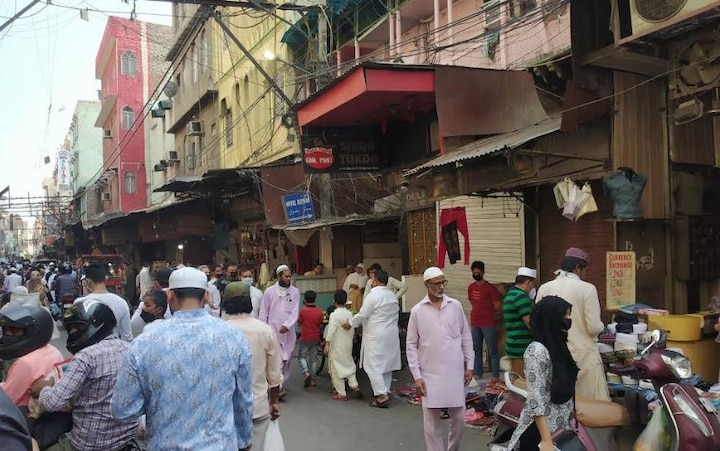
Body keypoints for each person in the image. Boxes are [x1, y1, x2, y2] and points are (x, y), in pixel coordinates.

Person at [111, 267, 254, 451]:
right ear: (207, 297)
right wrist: (244, 441)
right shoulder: (234, 337)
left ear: (170, 296)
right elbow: (243, 400)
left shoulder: (145, 342)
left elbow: (122, 410)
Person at [30, 300, 138, 451]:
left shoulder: (86, 356)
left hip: (88, 443)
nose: (73, 333)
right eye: (70, 329)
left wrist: (45, 388)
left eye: (76, 327)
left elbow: (52, 403)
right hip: (126, 437)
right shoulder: (132, 349)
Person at [406, 267, 474, 451]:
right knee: (431, 424)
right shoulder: (417, 311)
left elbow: (466, 337)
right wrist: (417, 376)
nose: (441, 287)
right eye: (437, 283)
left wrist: (470, 365)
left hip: (455, 373)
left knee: (459, 419)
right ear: (426, 285)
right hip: (429, 375)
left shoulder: (455, 306)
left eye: (443, 282)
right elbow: (411, 345)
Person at [535, 247, 609, 401]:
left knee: (559, 401)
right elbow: (594, 327)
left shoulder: (544, 288)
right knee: (588, 403)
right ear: (578, 268)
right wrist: (603, 327)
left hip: (553, 355)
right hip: (582, 355)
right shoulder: (588, 289)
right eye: (585, 270)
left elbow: (538, 321)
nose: (585, 274)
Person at [506, 296, 579, 451]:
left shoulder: (558, 346)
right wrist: (546, 440)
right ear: (551, 318)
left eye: (569, 315)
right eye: (564, 316)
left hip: (560, 427)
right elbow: (536, 399)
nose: (568, 320)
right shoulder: (537, 351)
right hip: (540, 432)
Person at [223, 282, 282, 451]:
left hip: (227, 409)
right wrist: (275, 401)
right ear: (250, 303)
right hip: (258, 405)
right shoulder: (265, 330)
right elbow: (274, 372)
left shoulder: (220, 332)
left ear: (226, 304)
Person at [346, 270, 400, 408]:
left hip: (376, 335)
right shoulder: (392, 296)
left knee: (372, 365)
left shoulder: (373, 296)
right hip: (391, 334)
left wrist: (351, 323)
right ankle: (385, 390)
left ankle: (381, 395)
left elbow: (362, 314)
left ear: (375, 281)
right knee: (387, 364)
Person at [0, 304, 62, 408]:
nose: (8, 334)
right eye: (6, 330)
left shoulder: (25, 364)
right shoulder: (53, 351)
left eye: (14, 331)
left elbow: (6, 400)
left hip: (25, 418)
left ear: (34, 332)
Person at [259, 264, 300, 399]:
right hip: (273, 331)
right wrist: (263, 329)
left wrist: (287, 325)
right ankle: (279, 387)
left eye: (290, 276)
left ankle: (280, 382)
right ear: (279, 277)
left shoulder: (294, 292)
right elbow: (264, 311)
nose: (289, 279)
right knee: (276, 360)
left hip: (288, 333)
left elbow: (294, 312)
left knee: (287, 360)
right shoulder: (269, 292)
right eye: (286, 276)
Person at [74, 264, 133, 342]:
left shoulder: (79, 303)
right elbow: (127, 337)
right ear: (106, 279)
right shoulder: (121, 302)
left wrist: (85, 292)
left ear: (87, 281)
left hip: (89, 349)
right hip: (115, 348)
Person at [467, 260, 501, 382]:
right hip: (475, 322)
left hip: (488, 323)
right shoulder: (471, 287)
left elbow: (497, 306)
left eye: (478, 272)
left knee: (492, 350)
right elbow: (472, 301)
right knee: (476, 349)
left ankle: (495, 375)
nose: (476, 274)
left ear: (483, 272)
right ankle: (478, 372)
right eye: (474, 272)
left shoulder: (490, 288)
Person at [324, 290, 361, 401]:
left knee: (335, 367)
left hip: (337, 344)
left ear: (334, 300)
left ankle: (341, 392)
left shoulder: (334, 315)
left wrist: (327, 343)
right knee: (348, 363)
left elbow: (331, 331)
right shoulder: (349, 313)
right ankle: (354, 385)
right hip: (347, 343)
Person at [503, 267, 537, 377]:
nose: (533, 288)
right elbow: (530, 323)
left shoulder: (511, 294)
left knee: (516, 380)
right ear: (528, 282)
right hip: (521, 348)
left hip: (514, 345)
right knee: (521, 383)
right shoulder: (521, 297)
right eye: (533, 284)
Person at [297, 290, 324, 388]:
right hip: (315, 337)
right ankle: (312, 379)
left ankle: (306, 373)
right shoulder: (319, 311)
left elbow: (299, 323)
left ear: (305, 300)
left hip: (305, 337)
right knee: (313, 359)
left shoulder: (303, 311)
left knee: (301, 357)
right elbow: (321, 325)